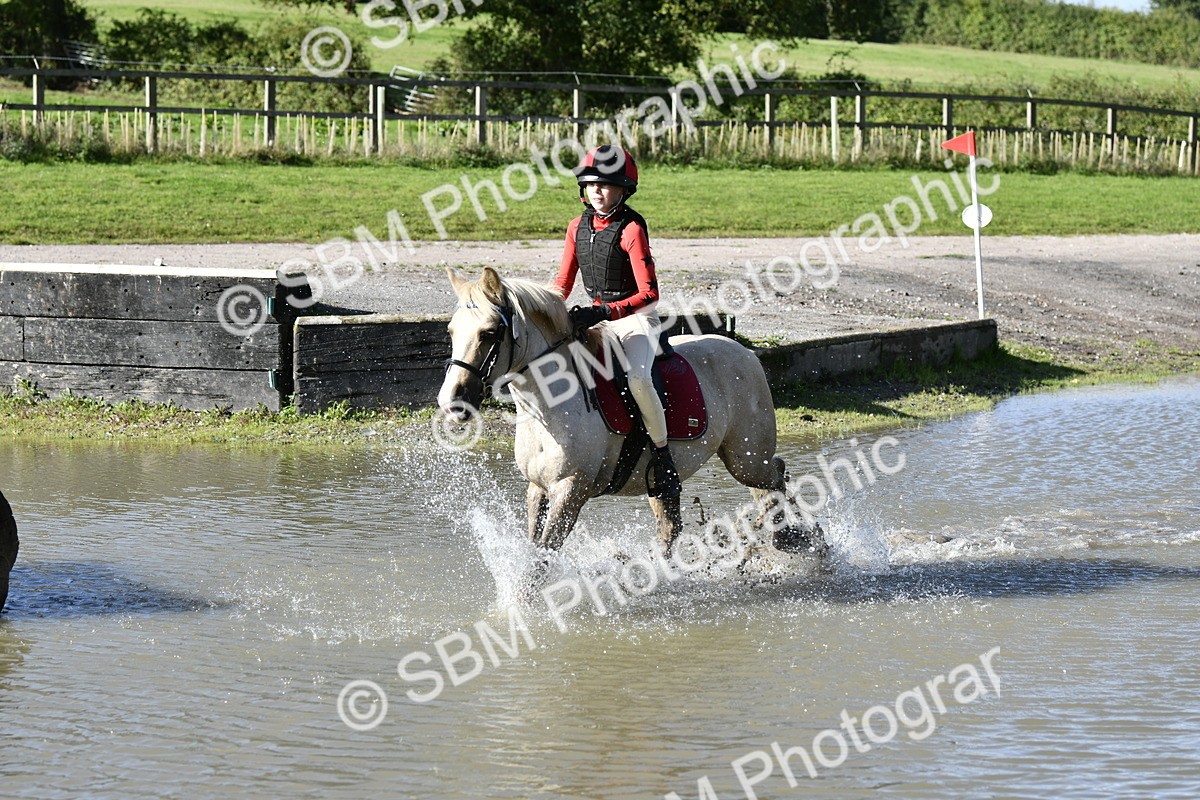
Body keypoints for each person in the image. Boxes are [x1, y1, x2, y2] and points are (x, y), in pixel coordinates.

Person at [552, 144, 681, 499]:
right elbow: (562, 285)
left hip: (634, 321)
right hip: (596, 319)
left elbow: (650, 295)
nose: (597, 190)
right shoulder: (576, 227)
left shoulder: (632, 228)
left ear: (623, 190)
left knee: (638, 377)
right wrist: (544, 310)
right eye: (591, 184)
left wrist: (606, 312)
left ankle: (662, 454)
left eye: (605, 185)